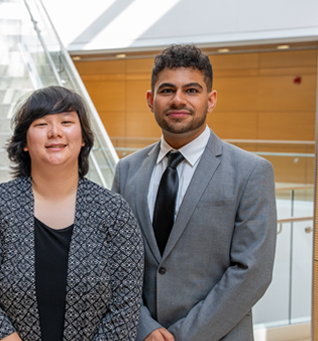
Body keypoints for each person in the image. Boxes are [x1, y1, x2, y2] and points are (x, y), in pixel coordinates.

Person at [111, 44, 277, 341]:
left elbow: (252, 273)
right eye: (166, 90)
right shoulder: (127, 171)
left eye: (191, 90)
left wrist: (184, 337)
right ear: (151, 100)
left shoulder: (251, 171)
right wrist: (144, 327)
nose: (178, 100)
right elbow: (115, 262)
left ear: (210, 100)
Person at [0, 86, 144, 341]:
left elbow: (125, 306)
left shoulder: (114, 212)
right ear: (24, 142)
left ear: (83, 138)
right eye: (41, 123)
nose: (55, 132)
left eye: (67, 121)